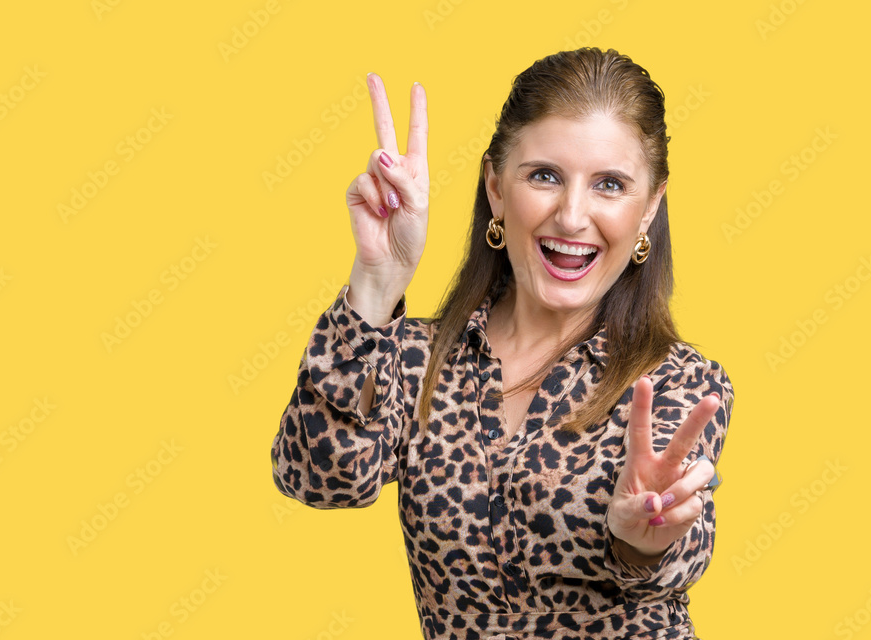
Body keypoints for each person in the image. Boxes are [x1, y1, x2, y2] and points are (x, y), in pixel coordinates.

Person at [270, 47, 735, 640]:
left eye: (610, 185)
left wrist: (641, 541)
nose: (571, 216)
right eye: (544, 176)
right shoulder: (417, 361)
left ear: (649, 209)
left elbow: (678, 554)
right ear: (495, 185)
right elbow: (318, 477)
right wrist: (377, 280)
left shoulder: (679, 382)